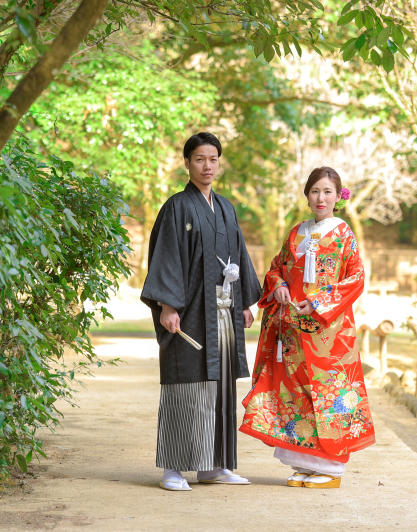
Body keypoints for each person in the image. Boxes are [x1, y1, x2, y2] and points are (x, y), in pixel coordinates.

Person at [240, 166, 375, 489]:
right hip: (293, 329)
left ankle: (331, 468)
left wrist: (319, 302)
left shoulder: (343, 233)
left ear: (338, 196)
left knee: (329, 395)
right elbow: (276, 268)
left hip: (329, 332)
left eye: (328, 191)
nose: (320, 198)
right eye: (315, 191)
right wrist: (280, 286)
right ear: (307, 195)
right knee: (297, 392)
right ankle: (307, 463)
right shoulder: (296, 232)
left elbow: (355, 278)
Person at [141, 132, 262, 491]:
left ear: (219, 163)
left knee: (220, 387)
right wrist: (167, 305)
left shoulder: (226, 208)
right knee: (187, 385)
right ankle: (175, 467)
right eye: (199, 159)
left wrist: (242, 303)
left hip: (223, 311)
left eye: (213, 159)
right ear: (187, 163)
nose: (207, 166)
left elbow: (238, 258)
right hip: (190, 311)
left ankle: (213, 464)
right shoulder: (177, 207)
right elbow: (167, 257)